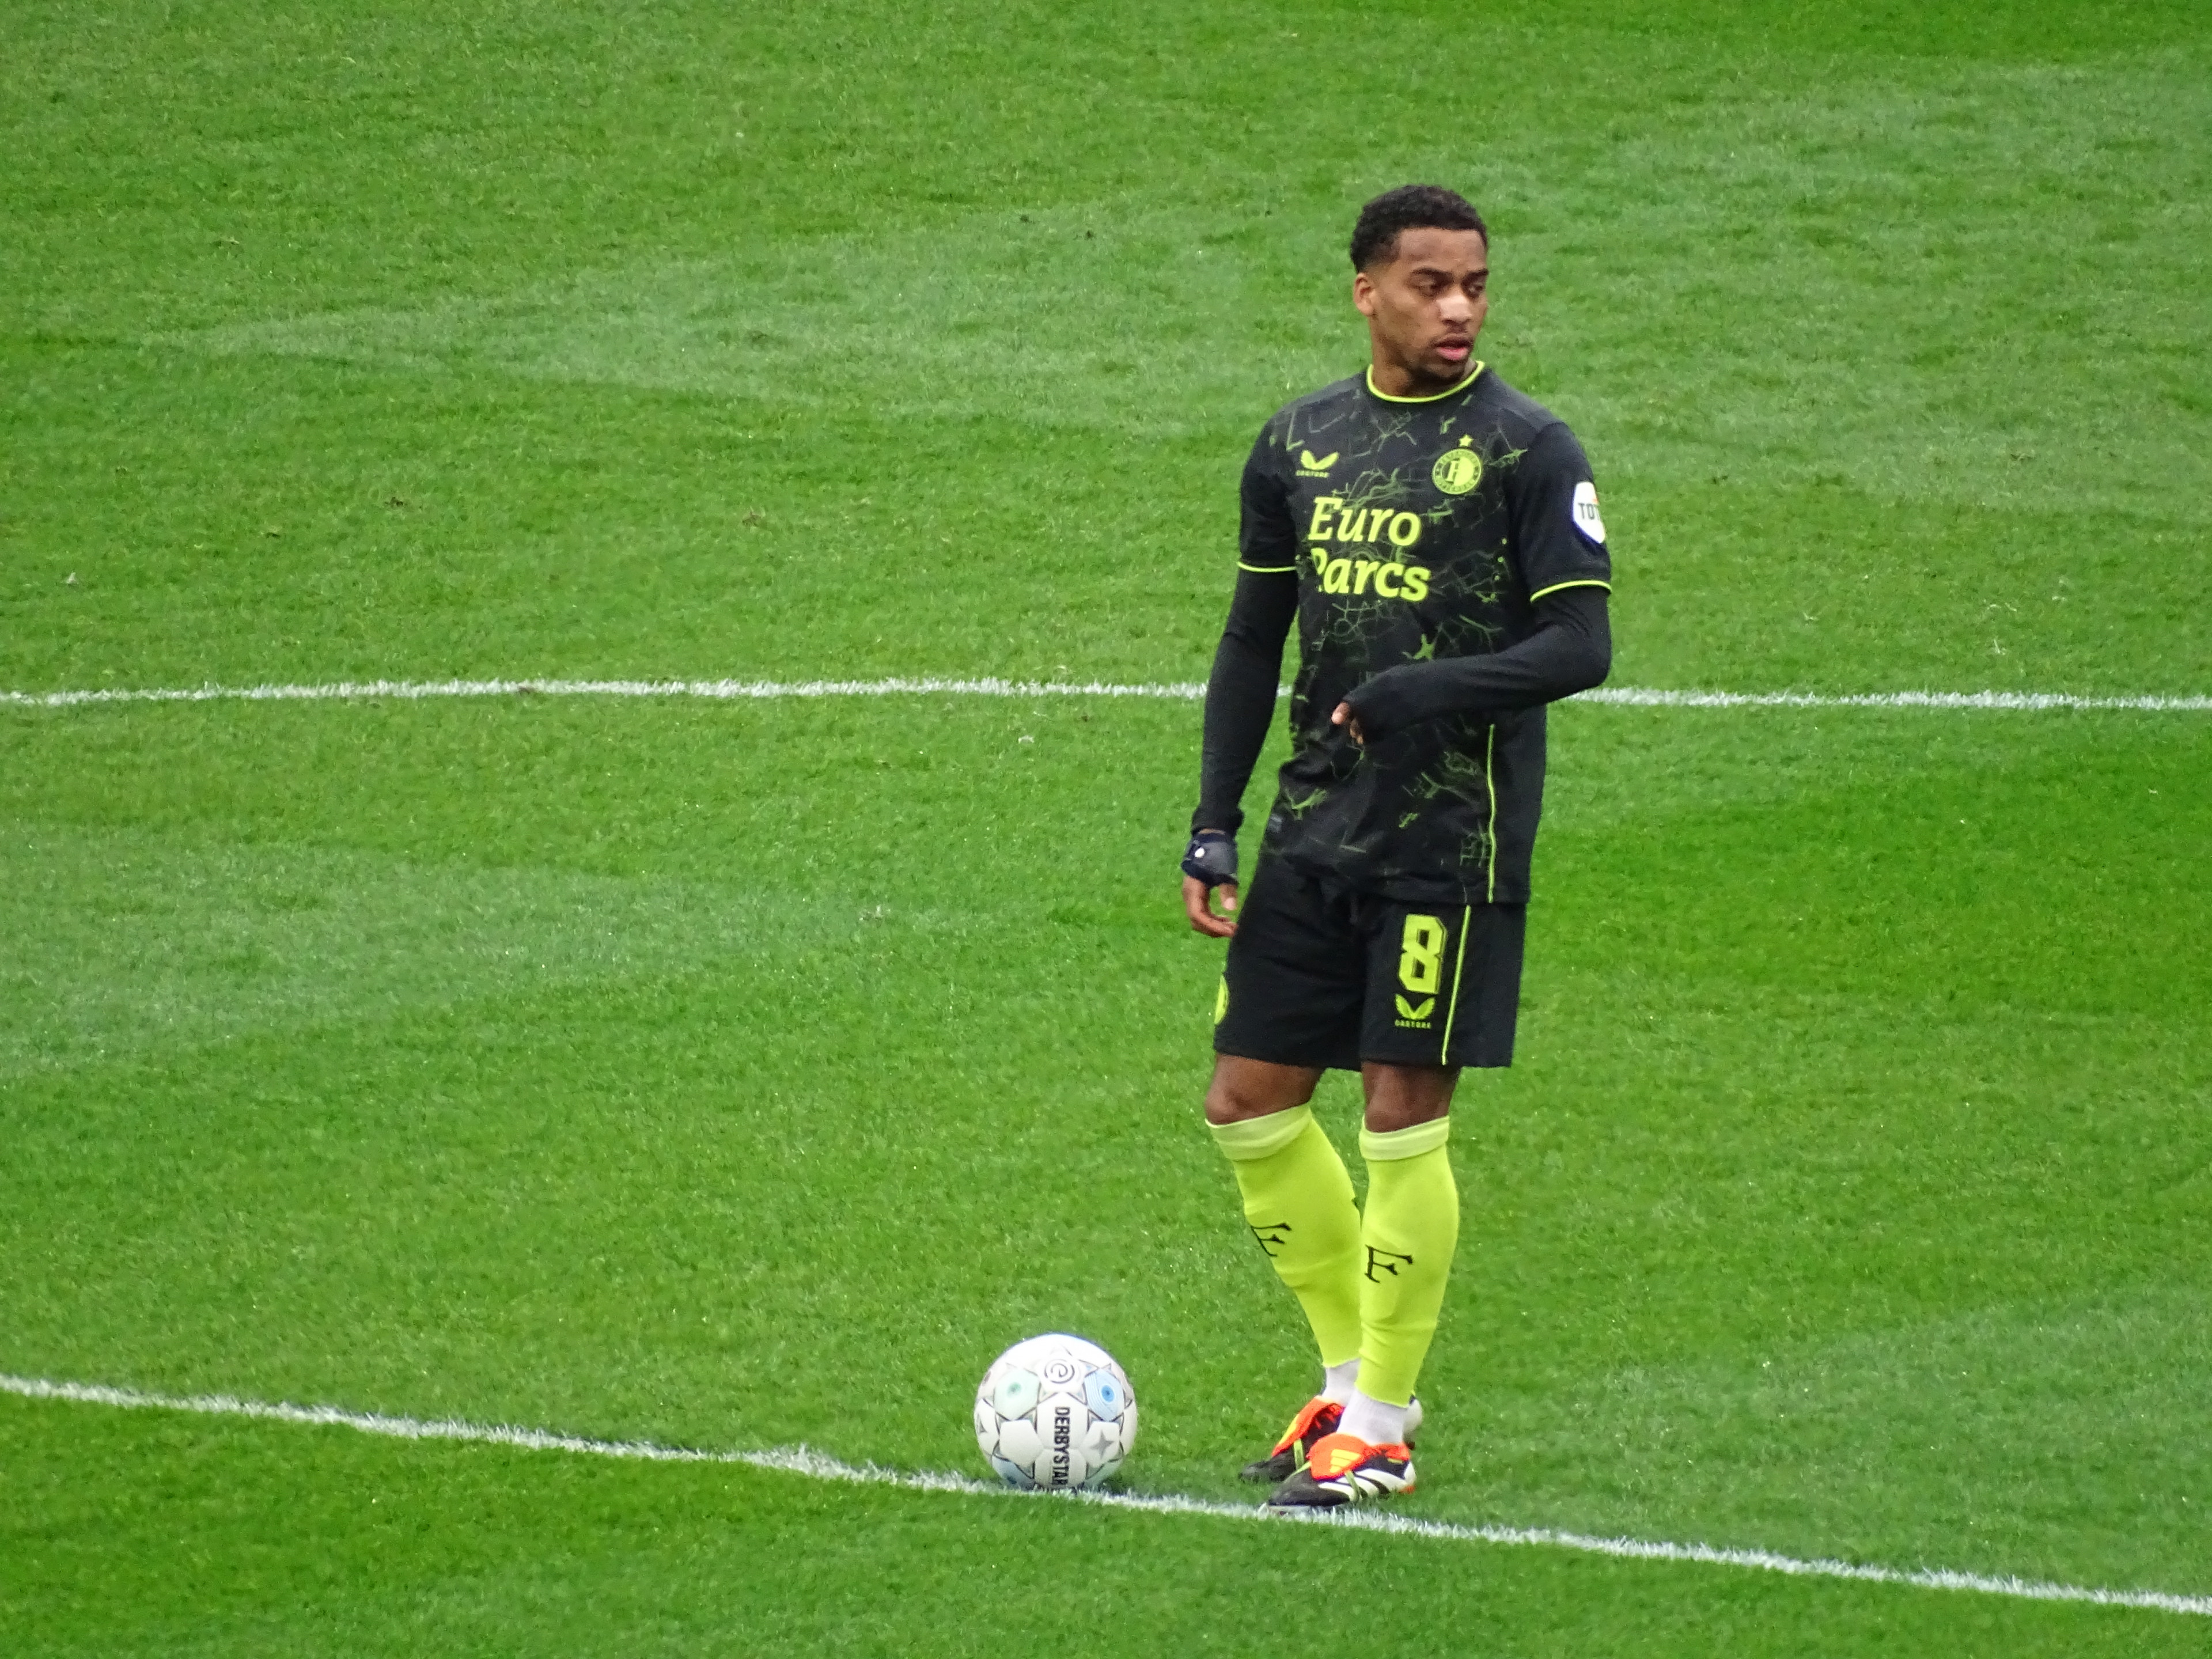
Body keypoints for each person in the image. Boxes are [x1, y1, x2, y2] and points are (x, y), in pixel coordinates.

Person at [1181, 184, 1613, 1509]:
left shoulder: (1531, 451)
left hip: (1451, 847)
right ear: (1368, 289)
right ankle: (1344, 1383)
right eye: (1432, 284)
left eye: (1476, 283)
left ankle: (1384, 1421)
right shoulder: (1300, 442)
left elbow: (1581, 646)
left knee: (1398, 1118)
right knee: (1248, 1103)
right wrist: (1215, 821)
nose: (1461, 307)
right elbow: (1257, 638)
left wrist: (1433, 690)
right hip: (1316, 831)